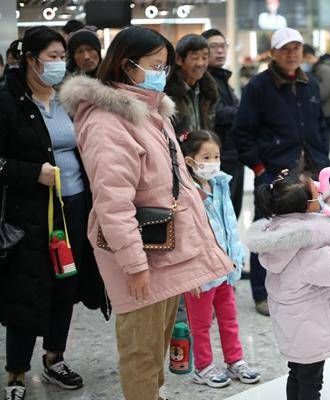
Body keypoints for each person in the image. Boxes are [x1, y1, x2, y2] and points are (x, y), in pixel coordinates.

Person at [59, 26, 232, 400]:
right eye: (155, 65)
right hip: (141, 255)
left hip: (166, 248)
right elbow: (113, 202)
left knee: (158, 347)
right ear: (127, 65)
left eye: (166, 66)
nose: (163, 74)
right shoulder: (108, 121)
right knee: (141, 351)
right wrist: (135, 264)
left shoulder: (152, 110)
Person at [0, 26, 109, 400]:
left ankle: (54, 358)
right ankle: (16, 372)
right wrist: (32, 173)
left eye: (62, 57)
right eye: (52, 57)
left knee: (67, 284)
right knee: (27, 290)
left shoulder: (68, 99)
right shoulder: (8, 101)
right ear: (30, 60)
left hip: (75, 208)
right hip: (30, 214)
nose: (60, 64)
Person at [246, 169, 330, 400]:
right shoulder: (308, 246)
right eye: (317, 191)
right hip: (311, 329)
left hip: (293, 324)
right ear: (307, 206)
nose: (321, 191)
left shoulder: (279, 233)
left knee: (296, 374)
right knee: (311, 382)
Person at [233, 27, 330, 316]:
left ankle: (303, 286)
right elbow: (242, 133)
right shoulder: (258, 87)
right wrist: (261, 168)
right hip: (274, 173)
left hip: (308, 172)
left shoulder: (309, 83)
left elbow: (319, 128)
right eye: (285, 49)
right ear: (273, 53)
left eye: (296, 48)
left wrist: (323, 165)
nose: (291, 54)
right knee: (268, 232)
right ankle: (262, 293)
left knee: (309, 230)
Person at [178, 130, 261, 388]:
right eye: (206, 156)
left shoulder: (221, 183)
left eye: (216, 156)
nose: (213, 161)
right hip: (200, 271)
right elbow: (184, 236)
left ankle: (235, 360)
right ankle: (202, 367)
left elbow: (229, 224)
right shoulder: (184, 191)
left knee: (229, 317)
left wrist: (235, 256)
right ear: (190, 160)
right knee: (201, 324)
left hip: (225, 266)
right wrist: (188, 274)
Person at [201, 29, 245, 218]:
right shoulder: (205, 80)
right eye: (213, 46)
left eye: (223, 46)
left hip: (234, 155)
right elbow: (215, 114)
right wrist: (244, 111)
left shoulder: (222, 78)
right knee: (222, 215)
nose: (220, 51)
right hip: (219, 157)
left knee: (233, 212)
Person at [302, 44, 330, 203]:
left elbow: (321, 93)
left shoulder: (323, 69)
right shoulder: (320, 68)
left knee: (322, 154)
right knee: (320, 154)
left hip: (328, 117)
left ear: (307, 56)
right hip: (325, 116)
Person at [165, 34, 218, 135]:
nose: (200, 63)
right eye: (195, 57)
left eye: (205, 57)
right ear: (179, 59)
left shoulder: (209, 92)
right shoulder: (168, 92)